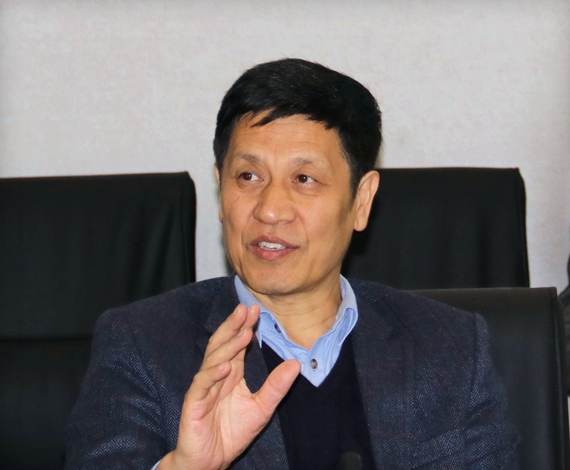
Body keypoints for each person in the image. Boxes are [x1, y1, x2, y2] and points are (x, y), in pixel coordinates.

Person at [64, 58, 518, 469]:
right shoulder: (141, 345)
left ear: (361, 201)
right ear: (221, 190)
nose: (270, 209)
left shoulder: (452, 347)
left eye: (304, 178)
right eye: (248, 176)